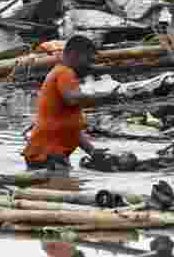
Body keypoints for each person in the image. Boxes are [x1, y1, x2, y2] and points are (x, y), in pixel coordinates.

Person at [22, 35, 113, 171]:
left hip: (48, 154)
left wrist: (93, 152)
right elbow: (72, 98)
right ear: (74, 54)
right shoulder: (65, 73)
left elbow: (72, 129)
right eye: (88, 59)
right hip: (48, 155)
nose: (89, 65)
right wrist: (102, 95)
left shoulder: (62, 73)